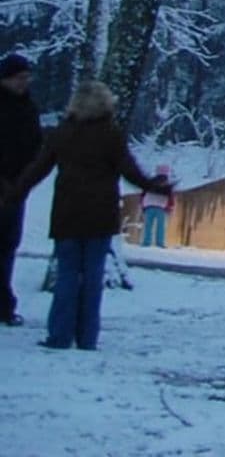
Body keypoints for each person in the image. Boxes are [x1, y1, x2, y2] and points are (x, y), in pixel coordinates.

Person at [3, 79, 171, 350]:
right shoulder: (111, 135)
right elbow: (130, 171)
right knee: (92, 278)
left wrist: (14, 193)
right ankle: (87, 337)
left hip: (66, 214)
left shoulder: (62, 133)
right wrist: (154, 186)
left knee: (67, 275)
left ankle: (59, 335)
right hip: (100, 216)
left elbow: (38, 168)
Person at [0, 53, 43, 326]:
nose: (23, 83)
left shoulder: (28, 108)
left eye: (26, 78)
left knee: (7, 246)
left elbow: (35, 147)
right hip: (10, 183)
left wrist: (24, 180)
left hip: (17, 187)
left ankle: (3, 303)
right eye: (19, 78)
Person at [140, 164, 175, 247]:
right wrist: (170, 206)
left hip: (148, 205)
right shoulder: (167, 184)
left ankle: (146, 242)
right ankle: (160, 243)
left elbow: (143, 194)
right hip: (161, 206)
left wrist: (142, 205)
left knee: (148, 225)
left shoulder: (150, 182)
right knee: (161, 226)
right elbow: (170, 196)